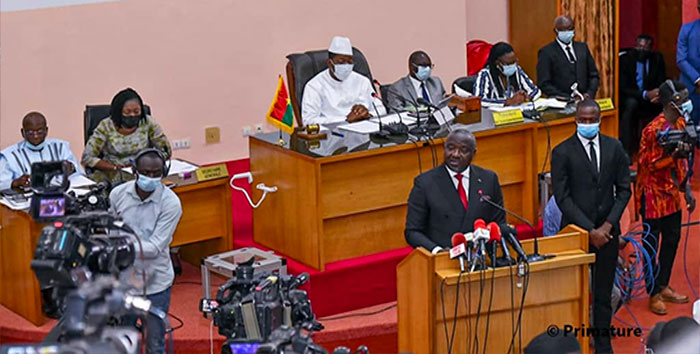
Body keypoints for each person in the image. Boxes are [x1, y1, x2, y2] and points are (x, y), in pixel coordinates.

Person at [551, 99, 631, 353]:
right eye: (582, 120)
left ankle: (603, 345)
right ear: (575, 119)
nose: (587, 124)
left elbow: (624, 190)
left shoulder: (614, 147)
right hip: (576, 231)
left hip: (607, 233)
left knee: (603, 293)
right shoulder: (562, 152)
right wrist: (590, 230)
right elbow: (563, 198)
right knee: (574, 293)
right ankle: (574, 344)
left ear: (599, 119)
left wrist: (607, 226)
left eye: (591, 119)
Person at [110, 148, 182, 354]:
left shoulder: (171, 203)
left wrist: (121, 246)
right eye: (145, 172)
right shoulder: (118, 194)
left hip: (156, 284)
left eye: (156, 173)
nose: (150, 178)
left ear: (164, 173)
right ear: (134, 170)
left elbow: (154, 248)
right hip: (124, 282)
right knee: (124, 343)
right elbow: (110, 230)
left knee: (155, 344)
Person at [636, 80, 695, 315]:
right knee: (651, 244)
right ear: (673, 102)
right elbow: (649, 165)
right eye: (683, 97)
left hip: (671, 193)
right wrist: (674, 155)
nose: (688, 100)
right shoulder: (653, 130)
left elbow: (681, 163)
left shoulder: (681, 122)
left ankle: (663, 284)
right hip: (652, 195)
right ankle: (653, 293)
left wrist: (687, 189)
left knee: (672, 240)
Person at [405, 129, 505, 252]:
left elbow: (499, 222)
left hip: (482, 258)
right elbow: (412, 232)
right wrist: (437, 251)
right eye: (450, 148)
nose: (455, 154)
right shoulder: (425, 183)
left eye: (463, 150)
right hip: (443, 260)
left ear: (473, 154)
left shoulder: (488, 179)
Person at [82, 88, 171, 186]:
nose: (132, 115)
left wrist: (148, 164)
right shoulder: (106, 126)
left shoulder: (147, 122)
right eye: (127, 112)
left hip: (144, 172)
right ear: (118, 112)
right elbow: (87, 157)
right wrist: (115, 168)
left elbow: (165, 151)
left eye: (136, 111)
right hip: (114, 173)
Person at [301, 36, 385, 126]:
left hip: (365, 134)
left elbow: (381, 109)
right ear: (330, 63)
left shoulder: (362, 81)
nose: (346, 66)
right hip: (332, 136)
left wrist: (368, 114)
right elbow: (308, 121)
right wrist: (345, 120)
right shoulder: (314, 86)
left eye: (349, 62)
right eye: (341, 62)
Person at [0, 112, 83, 191]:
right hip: (28, 200)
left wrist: (71, 168)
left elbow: (80, 173)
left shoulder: (60, 147)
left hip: (62, 195)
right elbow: (2, 184)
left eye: (40, 132)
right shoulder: (9, 156)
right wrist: (15, 182)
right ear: (23, 133)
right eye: (30, 132)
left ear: (46, 131)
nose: (35, 136)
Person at [619, 34, 666, 157]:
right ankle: (626, 151)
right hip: (632, 96)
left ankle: (655, 149)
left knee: (663, 105)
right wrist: (645, 94)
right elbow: (623, 87)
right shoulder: (626, 59)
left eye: (645, 48)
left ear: (651, 49)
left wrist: (657, 94)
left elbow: (662, 81)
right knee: (631, 105)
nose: (641, 50)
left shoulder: (657, 59)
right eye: (639, 47)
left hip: (651, 98)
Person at [537, 15, 600, 99]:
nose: (568, 32)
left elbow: (594, 75)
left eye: (570, 29)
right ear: (556, 31)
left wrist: (589, 93)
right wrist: (567, 98)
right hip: (561, 103)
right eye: (564, 30)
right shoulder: (546, 52)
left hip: (584, 100)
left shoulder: (582, 48)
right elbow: (544, 83)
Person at [474, 42, 541, 106]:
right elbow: (479, 101)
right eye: (508, 64)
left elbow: (536, 90)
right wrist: (508, 102)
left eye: (514, 62)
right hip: (493, 115)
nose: (512, 65)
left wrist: (526, 97)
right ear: (497, 63)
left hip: (516, 113)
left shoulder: (517, 70)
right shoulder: (485, 74)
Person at [677, 0, 700, 125]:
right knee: (689, 129)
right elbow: (681, 59)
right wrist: (697, 79)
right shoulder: (687, 29)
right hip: (691, 88)